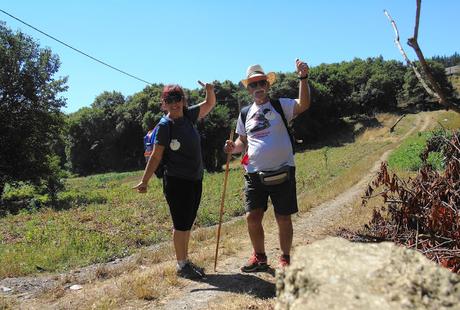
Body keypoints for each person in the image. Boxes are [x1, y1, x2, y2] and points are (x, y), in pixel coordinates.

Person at [223, 59, 310, 271]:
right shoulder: (244, 113)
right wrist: (231, 147)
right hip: (253, 174)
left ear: (267, 84)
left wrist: (303, 78)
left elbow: (304, 104)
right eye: (253, 85)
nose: (258, 87)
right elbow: (241, 143)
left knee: (283, 217)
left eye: (261, 83)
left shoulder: (281, 105)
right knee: (252, 217)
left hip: (283, 170)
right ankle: (260, 258)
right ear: (248, 89)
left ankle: (286, 258)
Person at [133, 81, 216, 279]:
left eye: (177, 98)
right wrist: (145, 180)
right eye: (169, 100)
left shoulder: (188, 115)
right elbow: (156, 156)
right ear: (163, 104)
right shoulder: (164, 126)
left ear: (183, 100)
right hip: (177, 182)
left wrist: (210, 91)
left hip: (195, 179)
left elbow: (209, 104)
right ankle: (181, 266)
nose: (174, 103)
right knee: (180, 224)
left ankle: (185, 261)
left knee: (187, 222)